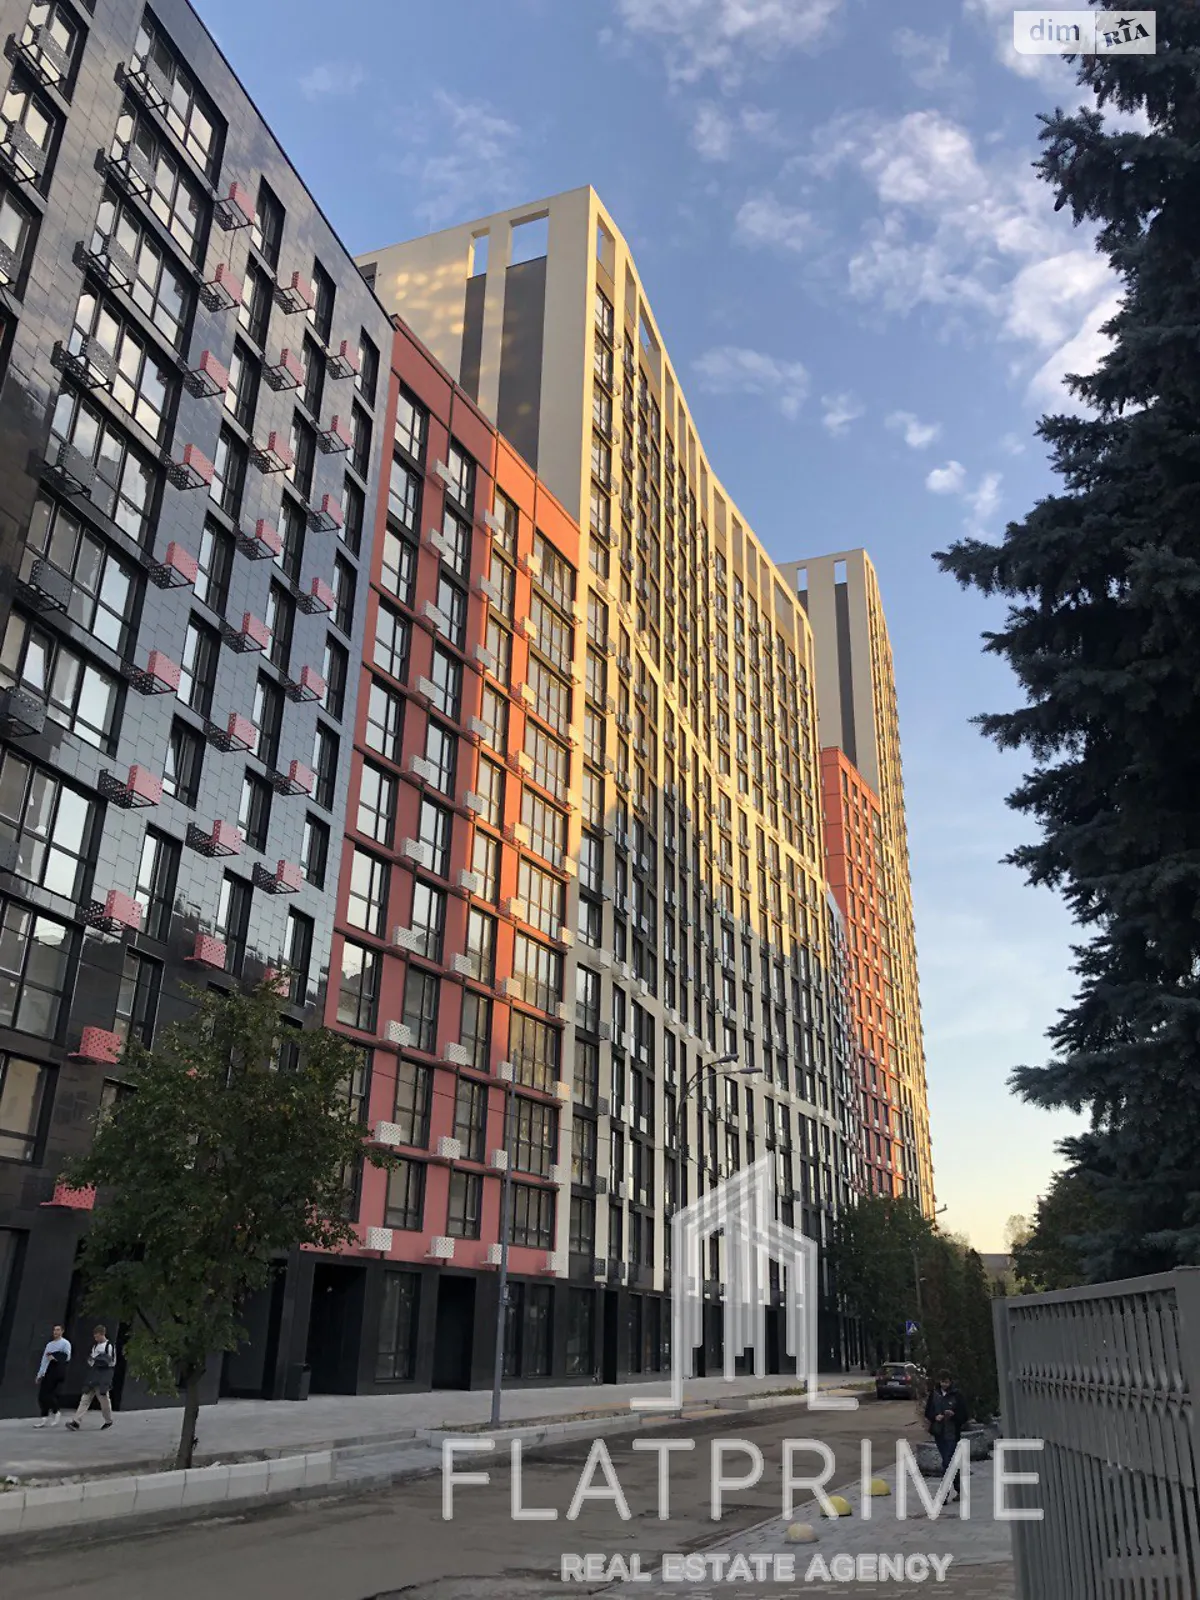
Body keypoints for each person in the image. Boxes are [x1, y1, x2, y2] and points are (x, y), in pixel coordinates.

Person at [924, 1370, 969, 1498]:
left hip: (952, 1433)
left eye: (947, 1382)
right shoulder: (934, 1395)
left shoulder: (957, 1395)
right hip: (939, 1433)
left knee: (947, 1462)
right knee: (949, 1462)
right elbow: (928, 1412)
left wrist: (953, 1415)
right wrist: (935, 1416)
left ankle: (944, 1492)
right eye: (942, 1382)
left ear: (951, 1382)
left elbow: (964, 1415)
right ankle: (959, 1488)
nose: (944, 1384)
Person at [66, 1326, 117, 1431]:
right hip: (93, 1375)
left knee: (104, 1401)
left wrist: (98, 1361)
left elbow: (112, 1362)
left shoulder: (109, 1346)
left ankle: (108, 1420)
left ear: (102, 1334)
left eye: (97, 1336)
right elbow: (91, 1362)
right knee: (85, 1399)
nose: (95, 1338)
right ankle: (76, 1421)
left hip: (103, 1376)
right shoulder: (95, 1347)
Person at [33, 1324, 72, 1427]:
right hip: (48, 1370)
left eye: (58, 1330)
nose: (56, 1332)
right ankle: (44, 1417)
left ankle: (56, 1411)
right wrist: (40, 1374)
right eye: (54, 1330)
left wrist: (55, 1357)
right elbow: (44, 1360)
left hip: (56, 1371)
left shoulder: (65, 1343)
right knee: (42, 1395)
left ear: (62, 1331)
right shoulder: (49, 1345)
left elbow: (67, 1357)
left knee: (49, 1393)